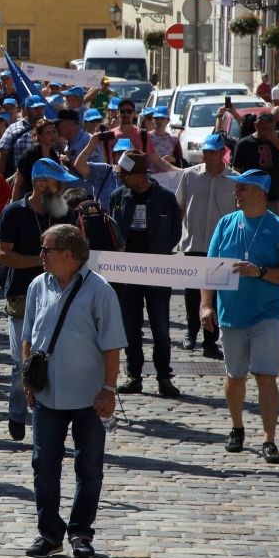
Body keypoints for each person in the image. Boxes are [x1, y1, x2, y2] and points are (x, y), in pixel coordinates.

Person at [21, 225, 125, 558]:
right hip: (47, 395)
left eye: (46, 249)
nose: (41, 255)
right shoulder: (38, 286)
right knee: (44, 465)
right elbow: (28, 337)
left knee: (89, 467)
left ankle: (81, 532)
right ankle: (49, 533)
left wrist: (109, 390)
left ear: (69, 254)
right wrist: (28, 381)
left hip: (89, 397)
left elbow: (112, 346)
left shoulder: (100, 291)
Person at [201, 169, 279, 464]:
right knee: (235, 376)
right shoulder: (225, 224)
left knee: (266, 376)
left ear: (259, 192)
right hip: (231, 313)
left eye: (242, 189)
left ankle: (270, 439)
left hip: (266, 313)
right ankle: (237, 427)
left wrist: (261, 272)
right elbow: (210, 269)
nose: (237, 193)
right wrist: (205, 306)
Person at [0, 158, 76, 441]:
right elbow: (3, 254)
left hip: (56, 296)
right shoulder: (14, 213)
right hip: (20, 295)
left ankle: (46, 417)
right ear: (40, 183)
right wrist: (42, 262)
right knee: (22, 361)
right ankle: (17, 412)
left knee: (53, 360)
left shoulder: (63, 212)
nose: (62, 187)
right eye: (58, 182)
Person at [107, 150, 183, 398]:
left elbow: (174, 233)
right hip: (127, 274)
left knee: (161, 328)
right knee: (130, 328)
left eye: (124, 174)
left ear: (138, 175)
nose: (120, 178)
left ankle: (164, 377)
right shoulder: (118, 197)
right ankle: (134, 376)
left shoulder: (165, 198)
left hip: (157, 273)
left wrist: (158, 255)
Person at [175, 133, 237, 358]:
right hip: (194, 243)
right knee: (192, 293)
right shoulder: (189, 175)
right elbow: (180, 207)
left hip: (220, 246)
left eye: (213, 152)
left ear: (222, 153)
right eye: (206, 152)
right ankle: (191, 331)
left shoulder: (234, 179)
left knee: (216, 294)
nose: (208, 156)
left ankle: (210, 340)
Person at [230, 110, 279, 216]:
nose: (266, 132)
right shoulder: (244, 144)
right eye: (264, 129)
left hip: (273, 194)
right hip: (251, 196)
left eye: (270, 129)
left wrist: (275, 140)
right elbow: (236, 171)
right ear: (256, 125)